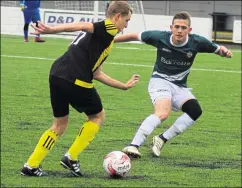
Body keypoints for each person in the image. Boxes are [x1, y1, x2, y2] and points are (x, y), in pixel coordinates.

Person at [20, 1, 139, 177]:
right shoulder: (107, 28)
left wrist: (123, 86)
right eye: (126, 20)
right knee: (97, 116)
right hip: (75, 79)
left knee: (59, 124)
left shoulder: (100, 39)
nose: (126, 25)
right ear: (117, 17)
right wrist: (52, 30)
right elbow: (84, 25)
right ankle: (72, 157)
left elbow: (97, 73)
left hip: (57, 74)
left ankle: (30, 165)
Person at [114, 11, 232, 158]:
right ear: (171, 27)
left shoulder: (197, 42)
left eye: (183, 28)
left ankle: (162, 139)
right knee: (163, 113)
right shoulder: (159, 37)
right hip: (159, 81)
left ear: (189, 30)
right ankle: (133, 145)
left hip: (179, 86)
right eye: (177, 27)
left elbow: (217, 49)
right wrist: (109, 41)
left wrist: (224, 52)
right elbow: (133, 36)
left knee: (195, 110)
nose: (179, 31)